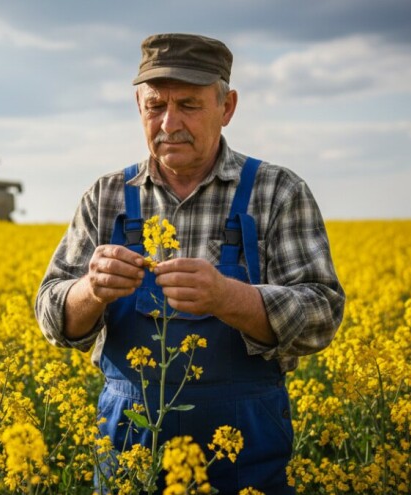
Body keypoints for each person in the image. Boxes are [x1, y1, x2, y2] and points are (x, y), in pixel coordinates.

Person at [35, 33, 345, 494]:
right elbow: (50, 314)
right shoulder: (105, 197)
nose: (169, 122)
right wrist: (91, 290)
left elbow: (323, 313)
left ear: (227, 107)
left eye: (189, 105)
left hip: (244, 460)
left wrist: (227, 297)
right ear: (137, 106)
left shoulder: (278, 192)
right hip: (128, 454)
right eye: (155, 105)